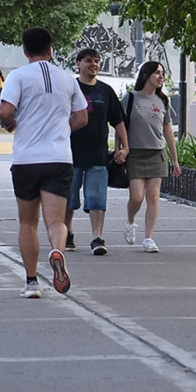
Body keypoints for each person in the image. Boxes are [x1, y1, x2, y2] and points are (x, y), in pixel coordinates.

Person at [0, 27, 88, 298]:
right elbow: (82, 117)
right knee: (55, 221)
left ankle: (31, 282)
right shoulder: (67, 79)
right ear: (51, 49)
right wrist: (61, 128)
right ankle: (58, 250)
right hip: (59, 158)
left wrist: (10, 124)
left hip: (26, 159)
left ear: (24, 51)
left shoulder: (18, 76)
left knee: (27, 223)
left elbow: (5, 111)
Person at [66, 48, 128, 256]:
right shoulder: (70, 88)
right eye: (89, 61)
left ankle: (97, 238)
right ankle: (67, 233)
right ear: (78, 64)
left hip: (98, 154)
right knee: (69, 198)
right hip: (70, 153)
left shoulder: (106, 91)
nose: (94, 64)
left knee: (97, 198)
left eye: (97, 61)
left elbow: (118, 121)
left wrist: (124, 148)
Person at [122, 61, 181, 253]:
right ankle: (130, 220)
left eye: (162, 73)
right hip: (136, 153)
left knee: (153, 196)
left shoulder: (163, 100)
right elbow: (120, 126)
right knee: (137, 197)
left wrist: (175, 159)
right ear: (146, 75)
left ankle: (148, 238)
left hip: (157, 152)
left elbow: (168, 131)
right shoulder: (130, 98)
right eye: (157, 73)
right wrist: (121, 149)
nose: (161, 77)